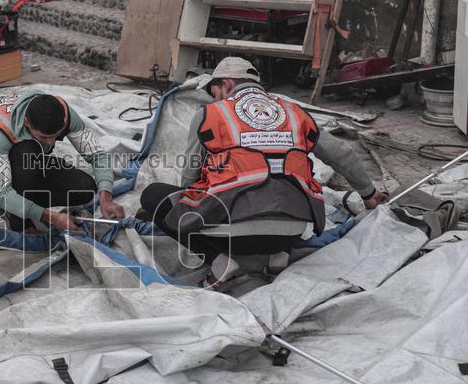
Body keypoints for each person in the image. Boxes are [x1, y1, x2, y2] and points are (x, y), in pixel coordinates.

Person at [139, 57, 388, 284]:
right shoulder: (295, 112)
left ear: (226, 84)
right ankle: (278, 255)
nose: (215, 100)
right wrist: (368, 194)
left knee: (153, 197)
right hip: (291, 231)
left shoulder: (210, 114)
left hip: (234, 236)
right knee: (282, 188)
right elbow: (341, 154)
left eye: (214, 93)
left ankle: (219, 261)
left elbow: (188, 180)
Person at [0, 91, 125, 232]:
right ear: (26, 122)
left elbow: (97, 155)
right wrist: (52, 217)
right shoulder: (0, 129)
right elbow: (1, 194)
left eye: (56, 136)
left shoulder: (64, 112)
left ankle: (21, 201)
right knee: (28, 150)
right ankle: (18, 221)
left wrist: (106, 199)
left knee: (85, 188)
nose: (51, 143)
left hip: (27, 162)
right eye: (44, 137)